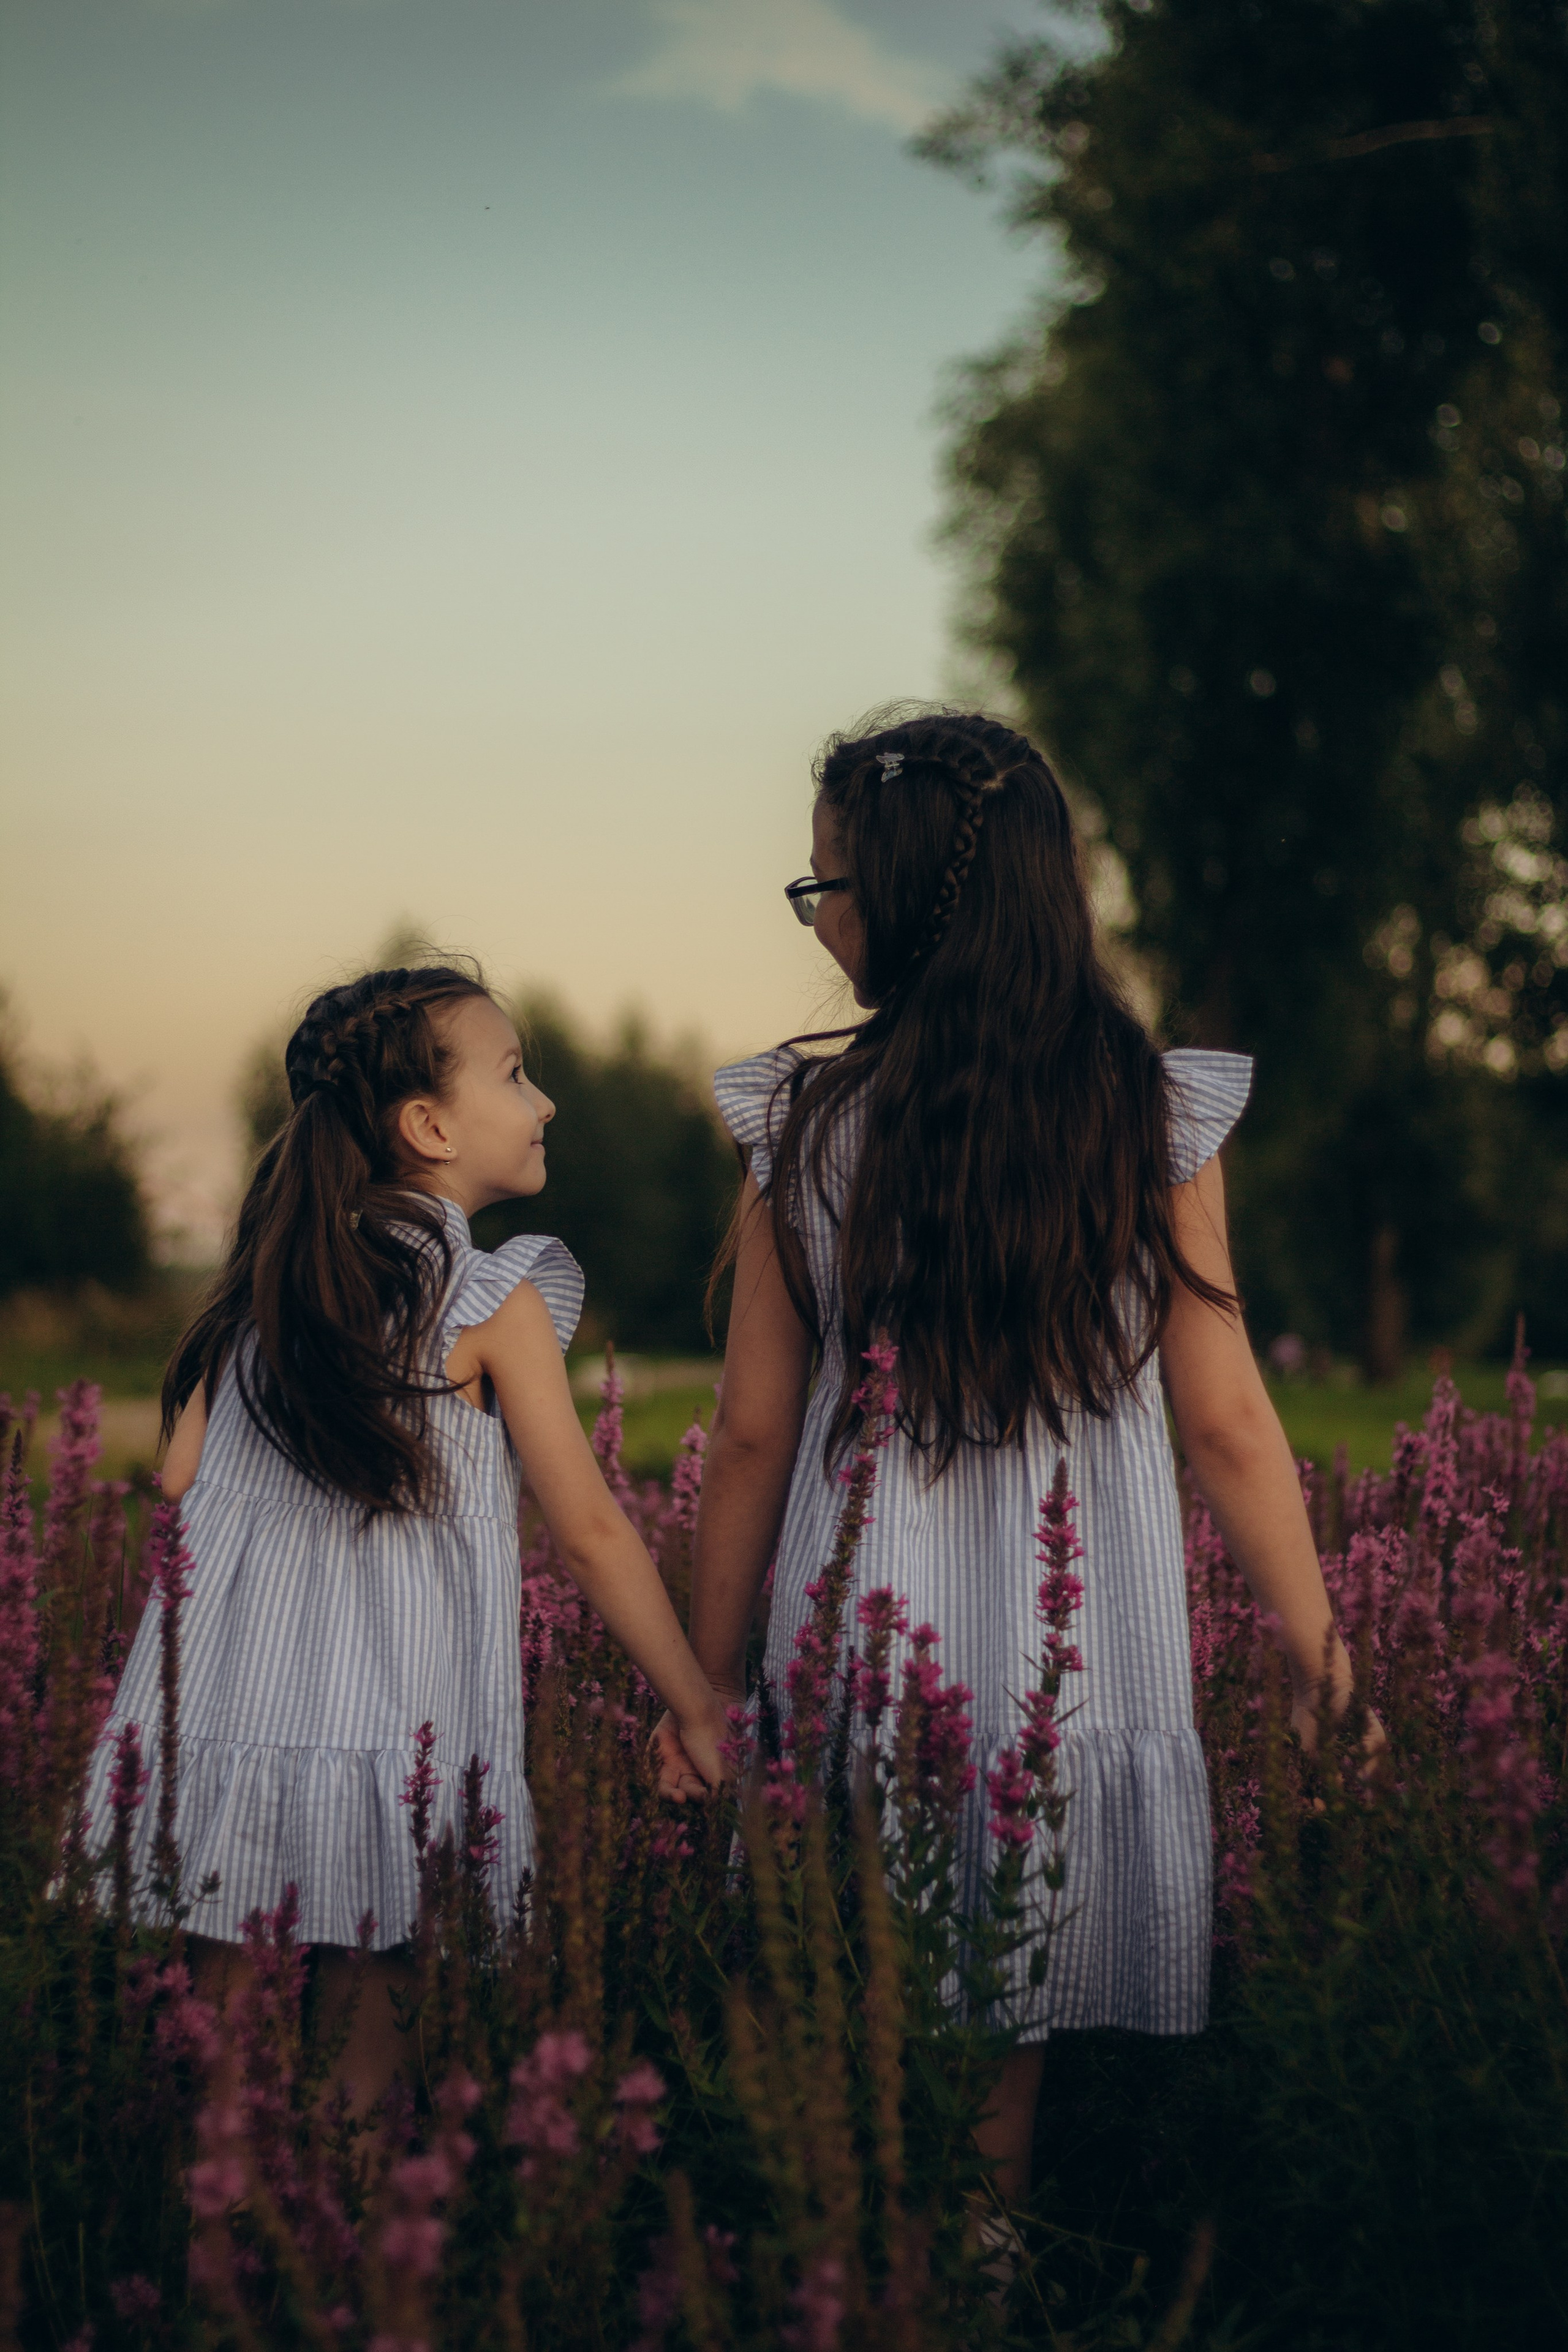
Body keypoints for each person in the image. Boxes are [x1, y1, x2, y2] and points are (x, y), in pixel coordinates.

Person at [656, 710, 1379, 2207]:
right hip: (1072, 1647)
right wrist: (1321, 1660)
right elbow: (1229, 1419)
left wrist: (705, 1688)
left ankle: (837, 2254)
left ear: (908, 894)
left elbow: (749, 1434)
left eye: (826, 885)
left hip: (858, 1630)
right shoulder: (1145, 1111)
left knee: (838, 1982)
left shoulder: (807, 1119)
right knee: (1006, 2003)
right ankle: (973, 2258)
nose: (818, 918)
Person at [87, 963, 726, 2119]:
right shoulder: (485, 1301)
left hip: (234, 1729)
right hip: (395, 1735)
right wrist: (691, 1699)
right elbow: (587, 1528)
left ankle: (216, 2280)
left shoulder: (261, 1302)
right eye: (518, 1075)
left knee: (224, 2081)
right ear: (429, 1125)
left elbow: (177, 1479)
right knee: (368, 2074)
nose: (546, 1103)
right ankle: (365, 2287)